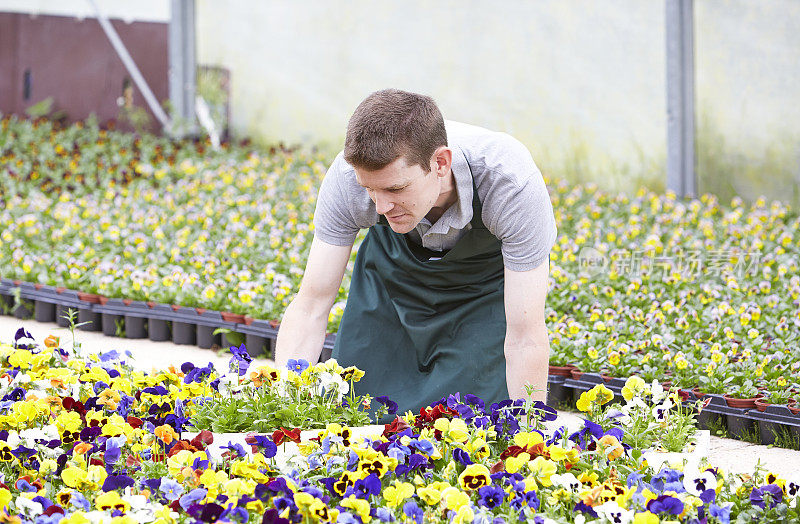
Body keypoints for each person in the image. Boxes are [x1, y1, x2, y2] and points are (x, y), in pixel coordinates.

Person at [274, 88, 557, 416]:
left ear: (440, 163)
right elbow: (311, 305)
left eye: (395, 189)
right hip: (392, 281)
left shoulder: (510, 186)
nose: (380, 206)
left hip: (480, 293)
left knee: (471, 419)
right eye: (370, 189)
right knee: (360, 409)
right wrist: (285, 405)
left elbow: (526, 336)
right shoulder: (347, 179)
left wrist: (532, 436)